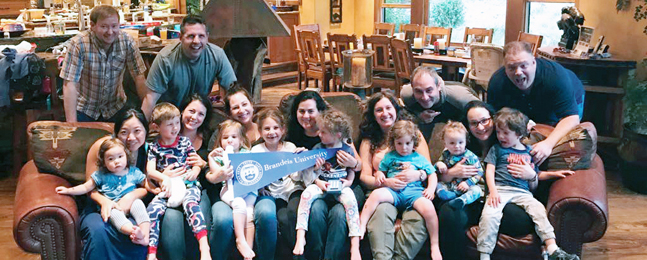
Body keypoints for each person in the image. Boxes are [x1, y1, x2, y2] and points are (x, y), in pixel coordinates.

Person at [478, 107, 579, 260]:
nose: (500, 136)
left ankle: (553, 249)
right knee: (489, 215)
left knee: (538, 209)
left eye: (506, 133)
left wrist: (553, 174)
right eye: (498, 132)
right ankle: (484, 255)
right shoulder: (497, 149)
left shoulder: (529, 151)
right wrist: (492, 191)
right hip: (501, 190)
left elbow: (536, 174)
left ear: (518, 134)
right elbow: (489, 171)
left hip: (523, 193)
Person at [285, 90, 363, 260]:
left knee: (339, 213)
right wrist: (308, 167)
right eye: (301, 111)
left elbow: (358, 167)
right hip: (317, 184)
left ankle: (349, 250)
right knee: (317, 210)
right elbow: (298, 174)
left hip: (342, 185)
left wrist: (352, 165)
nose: (306, 116)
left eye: (311, 111)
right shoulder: (298, 139)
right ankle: (308, 250)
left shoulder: (342, 139)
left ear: (320, 112)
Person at [358, 92, 431, 260]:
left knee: (418, 220)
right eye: (379, 110)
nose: (385, 113)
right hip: (384, 194)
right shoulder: (369, 141)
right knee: (381, 216)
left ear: (396, 110)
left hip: (413, 192)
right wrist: (386, 183)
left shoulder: (413, 134)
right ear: (373, 115)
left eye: (388, 108)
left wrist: (418, 174)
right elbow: (364, 177)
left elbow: (428, 169)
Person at [488, 41, 585, 165]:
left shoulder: (555, 77)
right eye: (512, 67)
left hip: (567, 97)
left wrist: (548, 144)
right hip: (526, 104)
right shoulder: (497, 82)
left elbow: (571, 118)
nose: (518, 72)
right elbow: (496, 118)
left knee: (557, 133)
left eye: (523, 65)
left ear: (534, 62)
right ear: (505, 68)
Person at [79, 108, 150, 259]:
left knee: (136, 234)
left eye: (137, 131)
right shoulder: (102, 147)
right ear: (116, 133)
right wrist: (105, 202)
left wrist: (131, 196)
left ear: (146, 131)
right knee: (98, 231)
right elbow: (89, 188)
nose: (131, 138)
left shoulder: (148, 150)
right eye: (124, 132)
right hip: (98, 207)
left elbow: (147, 186)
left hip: (129, 208)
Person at [60, 5, 147, 122]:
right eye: (104, 27)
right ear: (92, 26)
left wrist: (147, 115)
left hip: (115, 107)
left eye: (114, 26)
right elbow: (69, 83)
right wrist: (72, 125)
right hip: (85, 109)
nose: (110, 32)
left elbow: (139, 76)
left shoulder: (127, 41)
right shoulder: (79, 44)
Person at [145, 103, 210, 260]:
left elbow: (196, 163)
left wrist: (195, 171)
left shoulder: (185, 142)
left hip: (188, 185)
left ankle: (204, 246)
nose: (175, 128)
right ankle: (151, 253)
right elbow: (151, 171)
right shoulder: (154, 148)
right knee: (152, 210)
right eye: (169, 124)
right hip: (168, 188)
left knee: (191, 204)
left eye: (176, 122)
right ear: (156, 127)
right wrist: (165, 177)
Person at [141, 15, 237, 119]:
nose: (196, 41)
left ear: (207, 37)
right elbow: (150, 99)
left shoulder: (217, 55)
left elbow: (232, 93)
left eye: (201, 36)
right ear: (181, 37)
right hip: (170, 117)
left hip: (199, 115)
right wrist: (144, 128)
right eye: (191, 36)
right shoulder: (165, 59)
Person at [57, 138, 150, 245]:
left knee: (139, 205)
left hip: (131, 202)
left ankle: (144, 235)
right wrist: (69, 190)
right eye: (111, 159)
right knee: (114, 214)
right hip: (112, 205)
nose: (116, 161)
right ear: (104, 162)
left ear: (126, 156)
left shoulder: (133, 172)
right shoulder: (101, 175)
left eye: (120, 156)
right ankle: (133, 231)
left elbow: (146, 184)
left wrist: (158, 187)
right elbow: (86, 187)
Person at [207, 119, 256, 260]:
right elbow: (217, 175)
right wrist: (211, 158)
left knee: (249, 213)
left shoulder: (246, 153)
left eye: (234, 137)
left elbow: (256, 171)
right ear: (220, 141)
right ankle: (240, 239)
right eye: (225, 137)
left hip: (248, 190)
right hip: (228, 190)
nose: (229, 140)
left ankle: (248, 252)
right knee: (239, 203)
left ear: (241, 140)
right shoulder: (220, 156)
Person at [400, 66, 478, 140]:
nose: (425, 97)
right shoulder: (407, 96)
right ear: (412, 89)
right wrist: (419, 117)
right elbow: (406, 118)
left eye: (429, 90)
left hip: (461, 115)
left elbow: (483, 114)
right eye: (418, 91)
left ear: (439, 86)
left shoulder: (461, 98)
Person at [435, 121, 484, 209]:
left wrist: (467, 183)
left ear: (466, 141)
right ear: (445, 143)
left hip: (465, 188)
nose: (457, 146)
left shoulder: (470, 157)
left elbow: (479, 172)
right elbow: (436, 168)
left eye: (460, 142)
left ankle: (462, 200)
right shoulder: (445, 154)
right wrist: (439, 164)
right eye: (452, 143)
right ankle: (446, 195)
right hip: (450, 186)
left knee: (477, 191)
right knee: (437, 184)